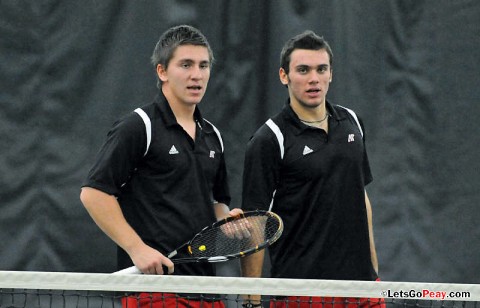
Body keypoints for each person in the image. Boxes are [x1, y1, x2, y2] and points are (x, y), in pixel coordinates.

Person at [80, 25, 241, 308]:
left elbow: (216, 203)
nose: (197, 75)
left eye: (204, 65)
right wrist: (137, 248)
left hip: (207, 290)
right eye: (186, 65)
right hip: (154, 291)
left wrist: (227, 222)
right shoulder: (138, 126)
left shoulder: (212, 136)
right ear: (162, 72)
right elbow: (94, 194)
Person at [240, 30, 385, 308]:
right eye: (303, 70)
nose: (314, 79)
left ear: (331, 74)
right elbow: (254, 224)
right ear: (284, 76)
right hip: (302, 291)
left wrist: (374, 274)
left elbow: (361, 197)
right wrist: (251, 301)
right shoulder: (269, 140)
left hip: (361, 288)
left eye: (321, 69)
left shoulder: (352, 122)